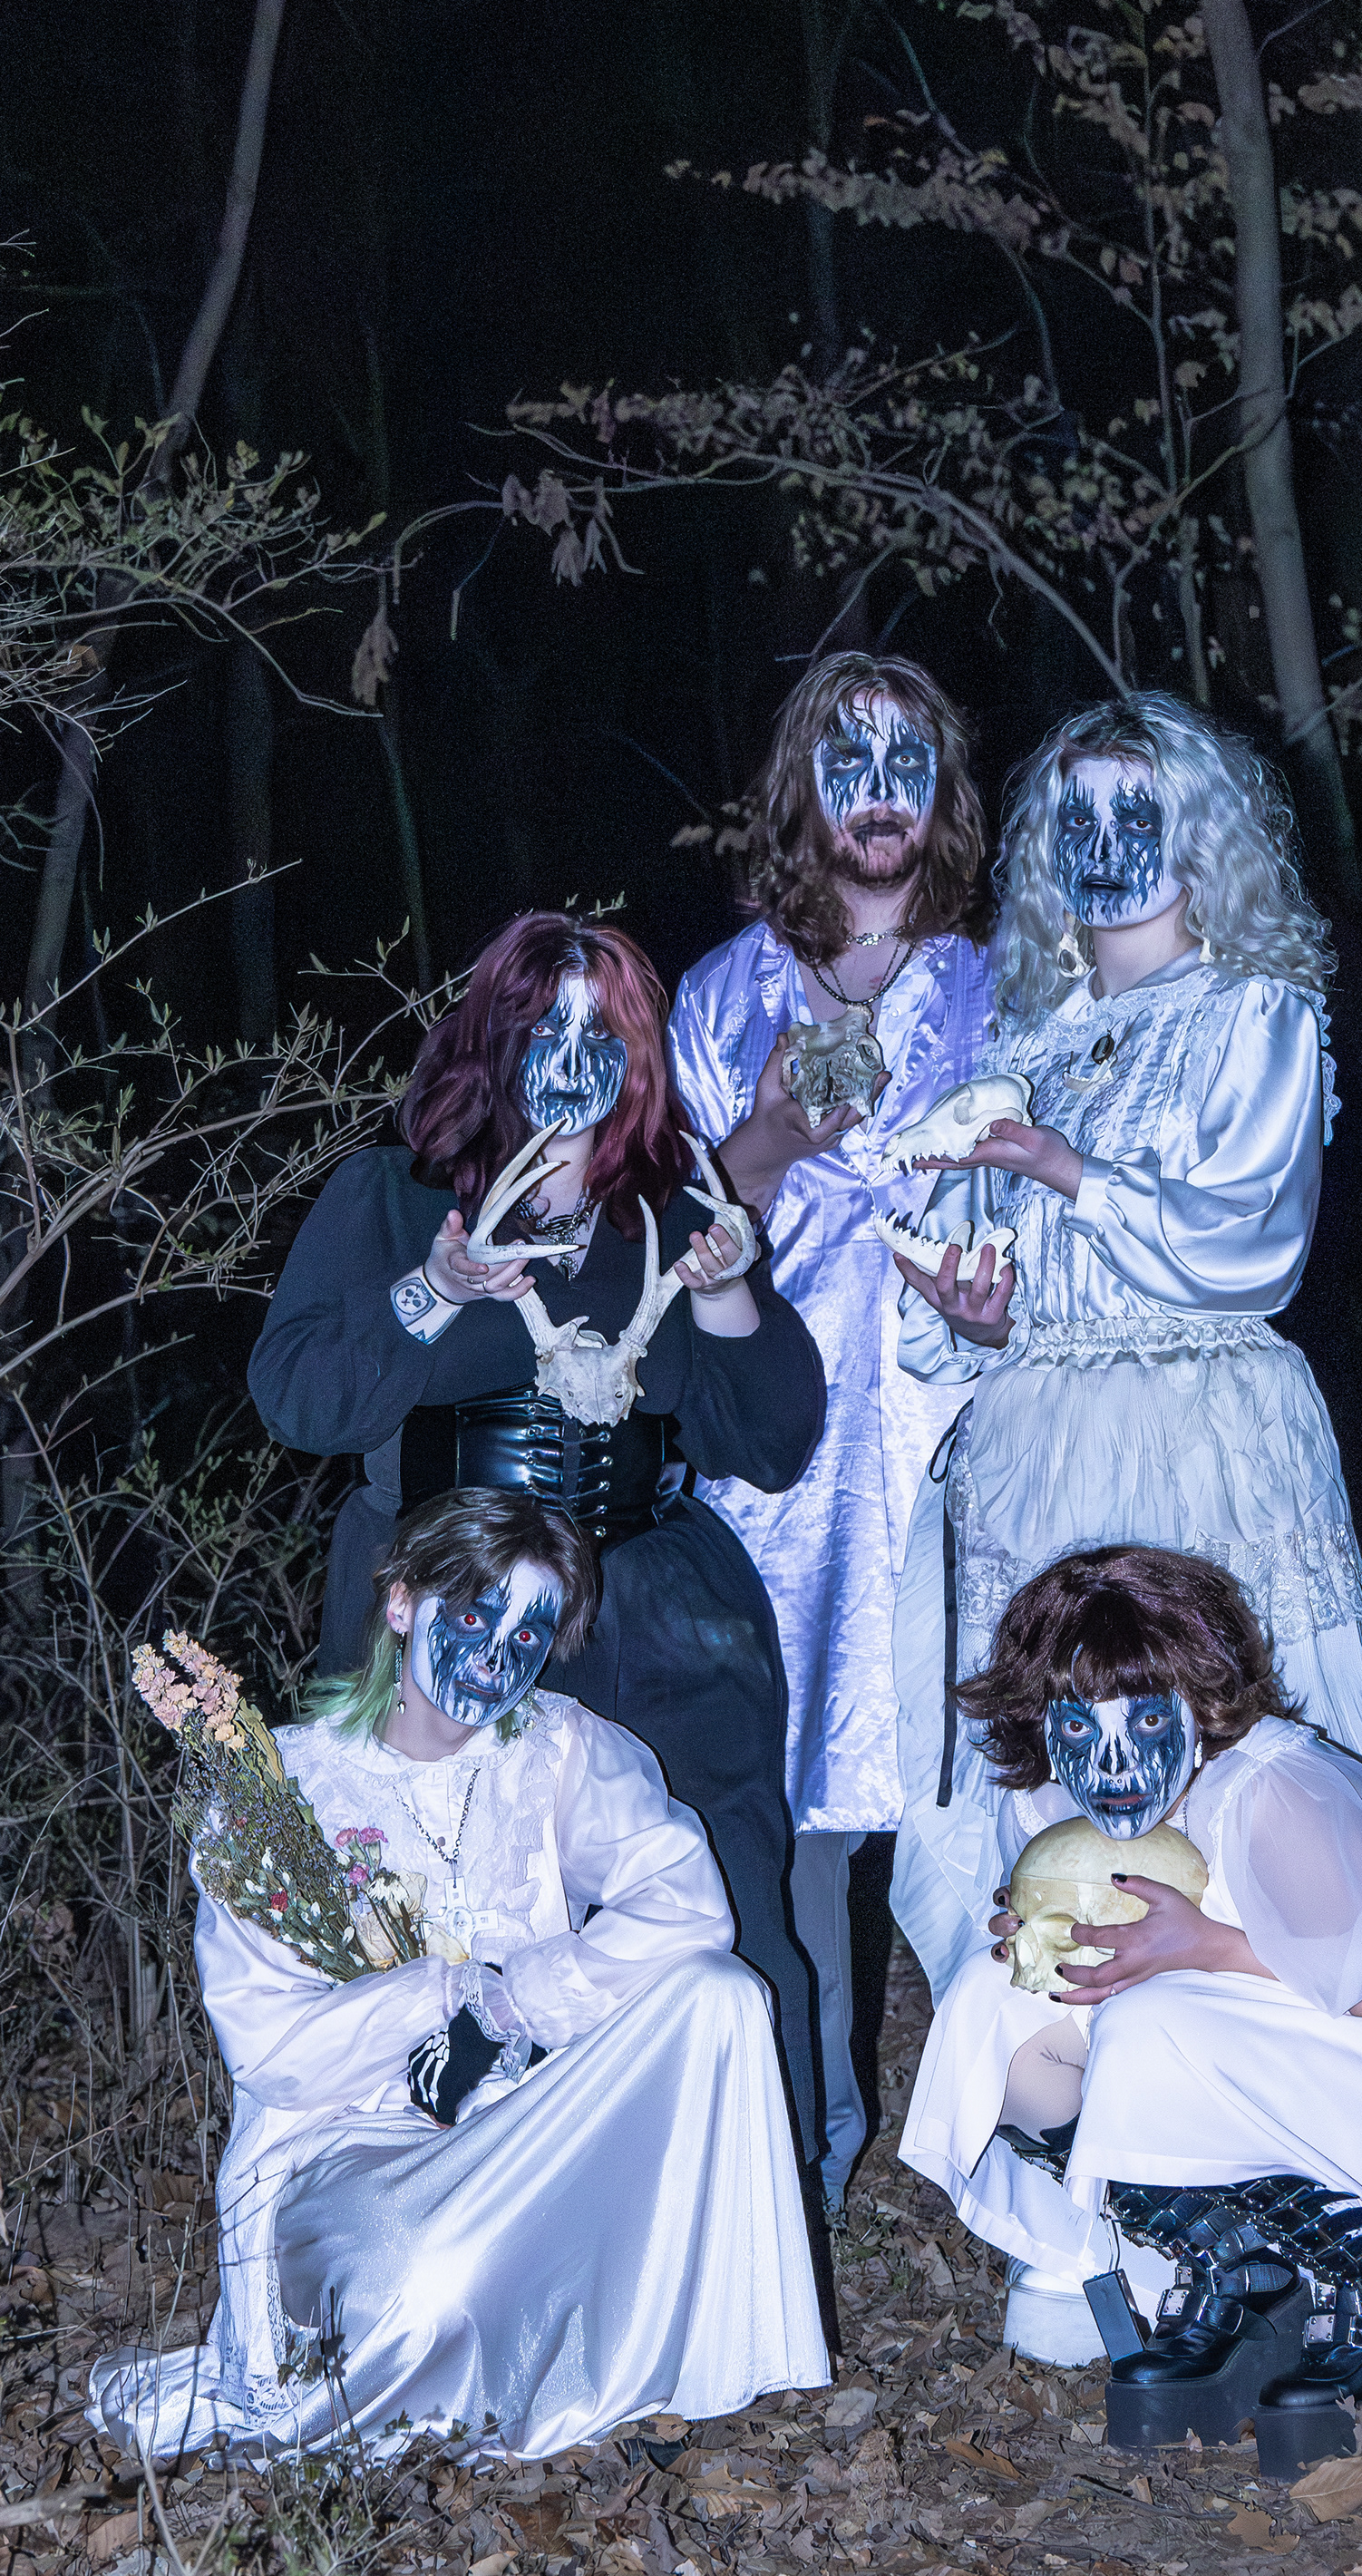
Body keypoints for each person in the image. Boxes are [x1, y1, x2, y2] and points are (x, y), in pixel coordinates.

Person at [248, 912, 826, 2164]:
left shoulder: (673, 1217)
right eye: (541, 1028)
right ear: (490, 1040)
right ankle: (423, 2196)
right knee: (417, 1912)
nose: (570, 1060)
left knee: (720, 1894)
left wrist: (730, 1290)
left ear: (638, 1056)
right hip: (443, 1611)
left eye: (600, 1033)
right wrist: (438, 1291)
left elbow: (771, 1442)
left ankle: (762, 2194)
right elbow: (298, 1399)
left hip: (655, 1611)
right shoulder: (395, 1200)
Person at [90, 1491, 830, 2459]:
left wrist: (516, 2001)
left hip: (534, 2124)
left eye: (528, 1634)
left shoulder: (560, 1747)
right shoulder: (282, 1792)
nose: (495, 1657)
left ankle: (709, 2352)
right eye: (475, 1616)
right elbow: (272, 2053)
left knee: (719, 1994)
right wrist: (437, 1998)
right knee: (426, 2288)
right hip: (347, 2151)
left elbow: (687, 1908)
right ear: (402, 1601)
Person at [886, 689, 1362, 2000]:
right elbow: (963, 1291)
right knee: (1062, 1762)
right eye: (1077, 821)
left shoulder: (1255, 1012)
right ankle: (1083, 2070)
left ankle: (1288, 2042)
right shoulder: (1023, 1043)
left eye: (1140, 817)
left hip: (1201, 1426)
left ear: (1201, 840)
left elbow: (1254, 1245)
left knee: (1236, 1740)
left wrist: (1069, 1172)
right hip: (1033, 1441)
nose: (1105, 848)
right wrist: (970, 1317)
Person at [900, 1543, 1362, 2401]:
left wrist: (1206, 1945)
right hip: (1242, 2065)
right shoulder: (1052, 1803)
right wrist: (1045, 1939)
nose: (1111, 1765)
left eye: (1146, 1721)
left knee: (1149, 2019)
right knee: (993, 1998)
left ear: (1199, 1702)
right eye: (1078, 1727)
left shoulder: (1273, 1789)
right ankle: (1230, 2257)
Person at [667, 648, 996, 2200]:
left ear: (943, 795)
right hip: (771, 1472)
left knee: (989, 1791)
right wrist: (770, 1139)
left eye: (905, 763)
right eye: (845, 763)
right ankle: (798, 2157)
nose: (876, 795)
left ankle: (1050, 2157)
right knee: (778, 1801)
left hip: (958, 1450)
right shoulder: (718, 996)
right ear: (801, 788)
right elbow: (657, 1232)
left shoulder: (1002, 987)